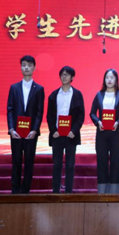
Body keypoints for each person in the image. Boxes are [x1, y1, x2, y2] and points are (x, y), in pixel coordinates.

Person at [6, 55, 45, 194]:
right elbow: (10, 109)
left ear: (34, 67)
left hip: (31, 133)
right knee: (16, 161)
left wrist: (34, 130)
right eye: (23, 65)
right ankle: (15, 190)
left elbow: (39, 112)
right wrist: (11, 129)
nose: (26, 68)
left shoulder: (39, 89)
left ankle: (26, 191)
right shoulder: (14, 87)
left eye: (29, 65)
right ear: (21, 67)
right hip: (16, 132)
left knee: (29, 162)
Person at [46, 66, 85, 194]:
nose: (64, 76)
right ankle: (55, 192)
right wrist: (53, 131)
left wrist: (74, 131)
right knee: (57, 164)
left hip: (71, 135)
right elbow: (49, 116)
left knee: (70, 165)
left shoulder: (77, 94)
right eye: (62, 74)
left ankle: (69, 192)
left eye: (67, 74)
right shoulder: (54, 95)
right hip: (57, 135)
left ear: (72, 77)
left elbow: (81, 116)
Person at [89, 69, 119, 194]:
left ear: (116, 80)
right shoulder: (99, 95)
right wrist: (98, 122)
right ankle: (102, 192)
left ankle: (114, 192)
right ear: (104, 80)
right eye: (107, 77)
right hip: (102, 133)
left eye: (112, 77)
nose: (109, 80)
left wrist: (118, 122)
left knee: (116, 161)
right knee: (102, 161)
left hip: (115, 133)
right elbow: (92, 113)